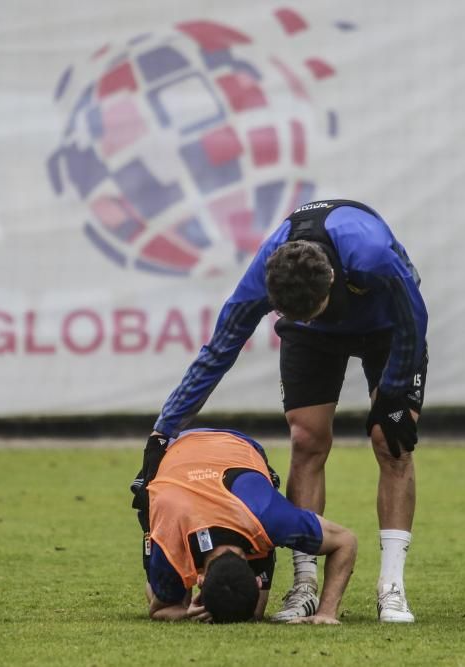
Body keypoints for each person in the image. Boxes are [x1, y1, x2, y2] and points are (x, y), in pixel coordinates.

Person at [131, 199, 428, 623]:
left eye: (311, 313)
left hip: (388, 326)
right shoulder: (264, 277)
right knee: (307, 439)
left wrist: (394, 398)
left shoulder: (371, 254)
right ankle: (304, 584)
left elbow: (413, 319)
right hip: (315, 334)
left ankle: (392, 586)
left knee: (391, 444)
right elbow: (218, 352)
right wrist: (163, 431)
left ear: (330, 282)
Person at [141, 428, 356, 624]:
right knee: (170, 589)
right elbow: (160, 608)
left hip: (237, 449)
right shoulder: (170, 536)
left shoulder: (268, 517)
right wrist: (184, 609)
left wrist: (326, 613)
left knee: (255, 613)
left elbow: (345, 541)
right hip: (172, 453)